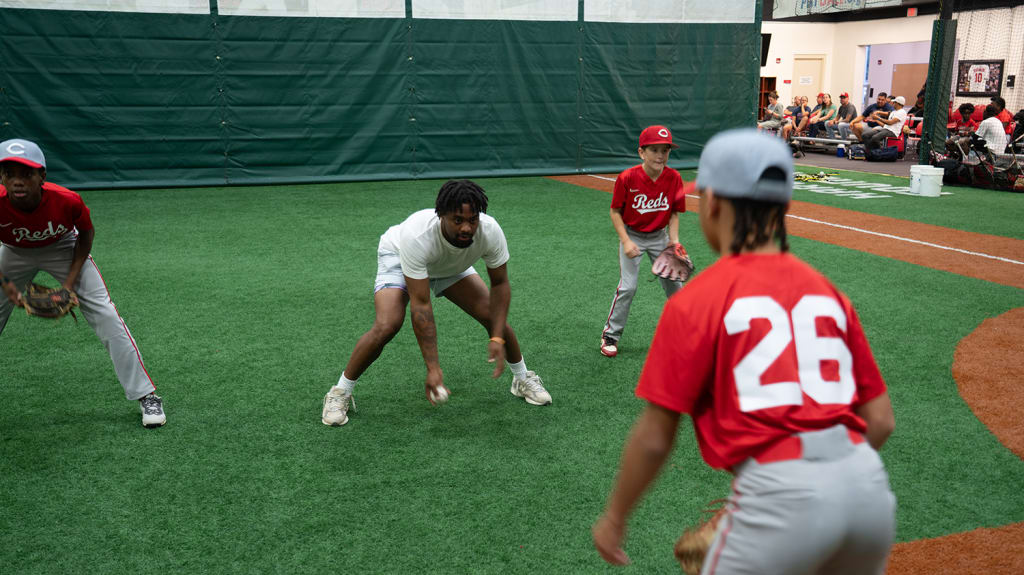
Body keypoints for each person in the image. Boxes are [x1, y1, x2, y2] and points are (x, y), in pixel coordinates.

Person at [592, 128, 896, 574]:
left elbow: (656, 437)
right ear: (785, 206)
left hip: (778, 496)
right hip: (869, 494)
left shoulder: (699, 300)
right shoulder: (828, 293)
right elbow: (881, 420)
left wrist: (614, 518)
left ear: (712, 204)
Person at [321, 179, 551, 427]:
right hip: (400, 257)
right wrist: (433, 368)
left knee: (493, 316)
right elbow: (421, 305)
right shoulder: (417, 236)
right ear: (441, 215)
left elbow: (500, 285)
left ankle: (522, 378)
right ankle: (340, 392)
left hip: (451, 265)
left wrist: (496, 337)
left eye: (472, 220)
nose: (466, 227)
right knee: (388, 324)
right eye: (457, 220)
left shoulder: (489, 231)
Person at [0, 139, 165, 428]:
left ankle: (146, 395)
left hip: (64, 247)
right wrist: (8, 286)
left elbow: (86, 236)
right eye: (8, 173)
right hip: (13, 252)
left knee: (105, 313)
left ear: (42, 177)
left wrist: (69, 284)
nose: (16, 181)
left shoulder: (67, 200)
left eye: (26, 173)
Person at [599, 125, 688, 358]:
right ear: (642, 153)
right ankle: (610, 335)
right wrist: (626, 241)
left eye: (665, 150)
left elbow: (674, 213)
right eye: (654, 150)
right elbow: (615, 212)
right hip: (633, 236)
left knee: (675, 288)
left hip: (660, 238)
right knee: (628, 286)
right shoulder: (628, 178)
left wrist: (674, 242)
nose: (660, 155)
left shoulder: (674, 178)